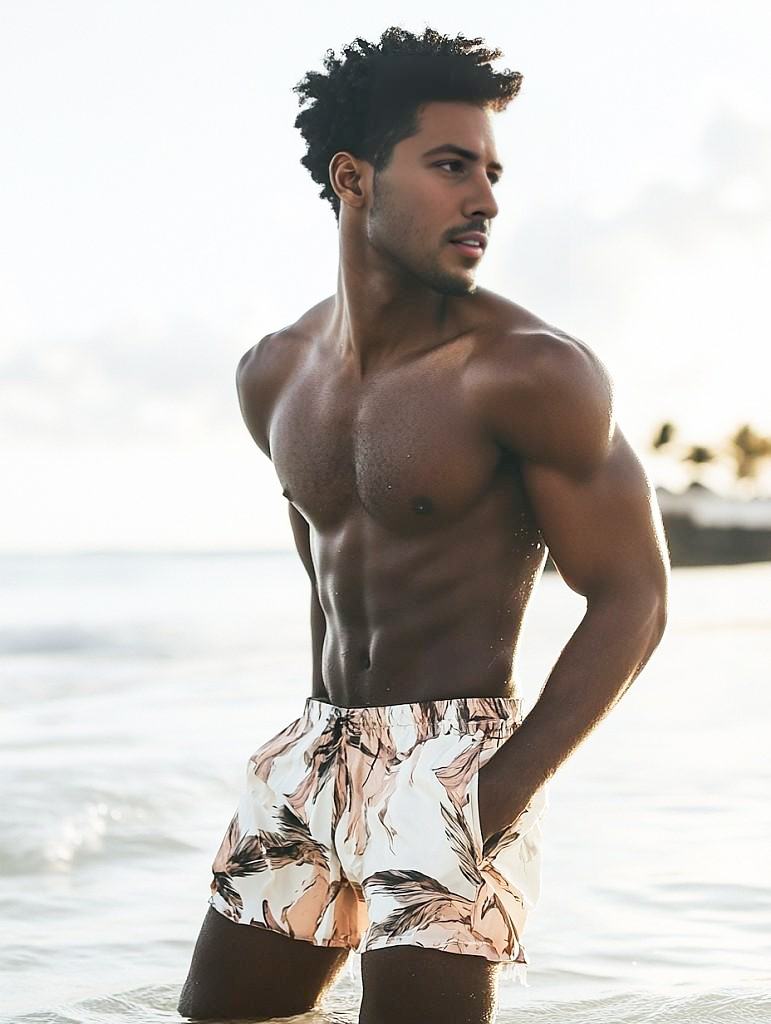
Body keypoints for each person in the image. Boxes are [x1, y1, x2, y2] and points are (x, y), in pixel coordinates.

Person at [177, 24, 670, 1024]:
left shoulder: (532, 371)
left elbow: (635, 597)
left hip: (460, 756)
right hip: (315, 750)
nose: (485, 197)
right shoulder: (273, 375)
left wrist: (493, 794)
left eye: (491, 171)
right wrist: (314, 748)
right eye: (451, 166)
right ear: (353, 177)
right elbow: (324, 568)